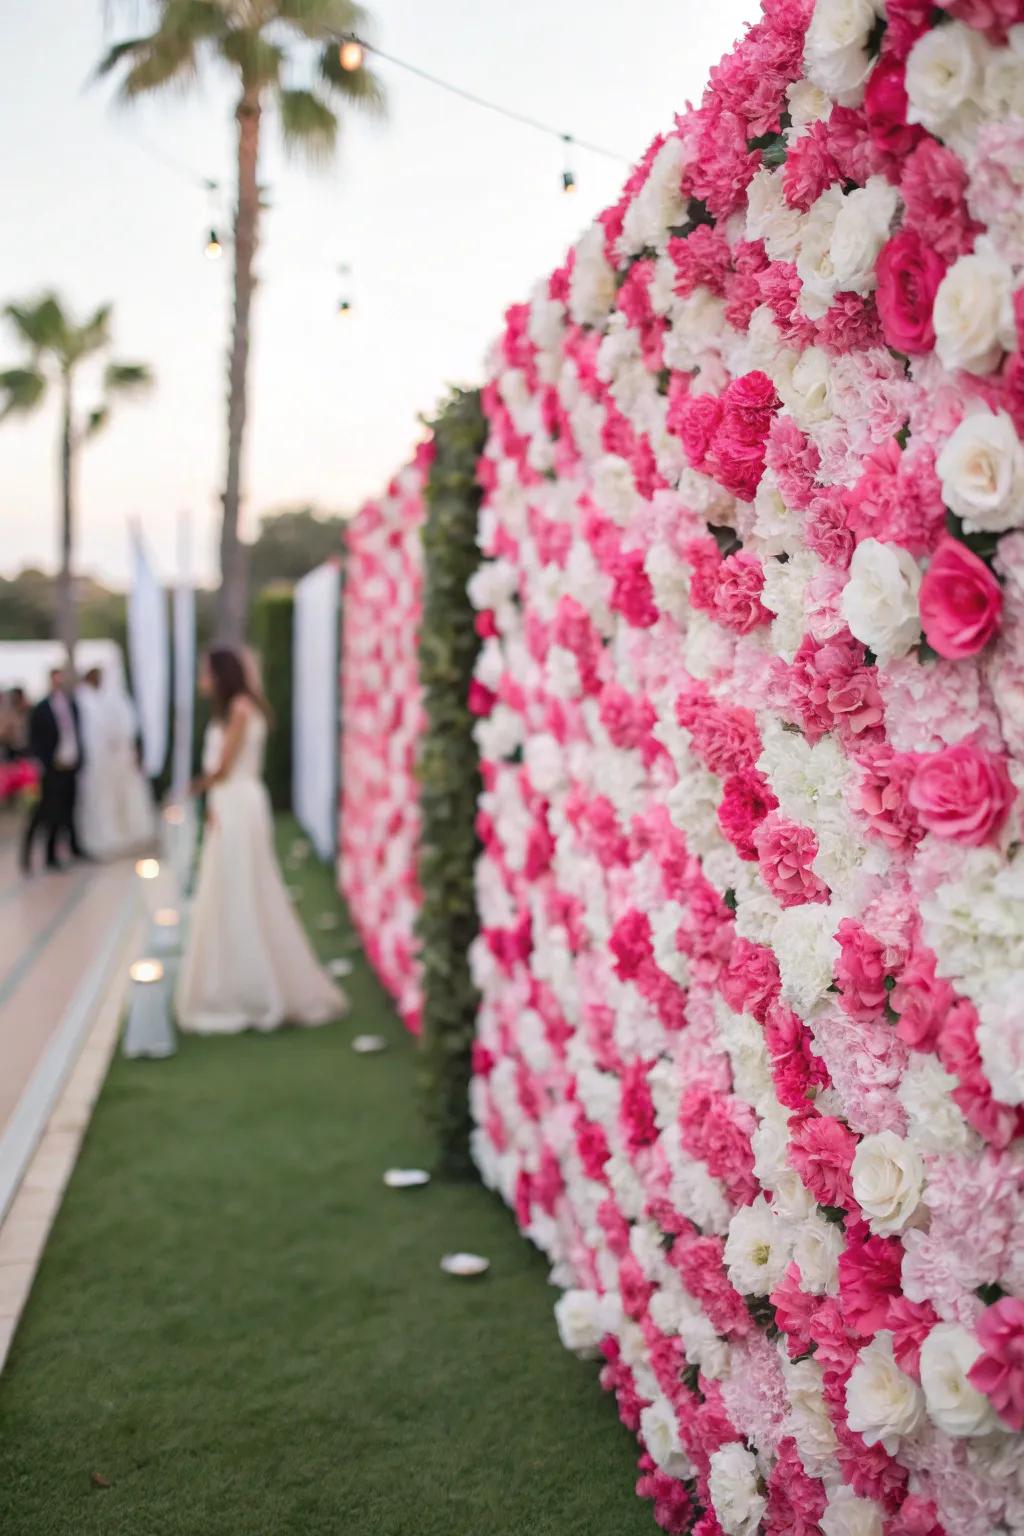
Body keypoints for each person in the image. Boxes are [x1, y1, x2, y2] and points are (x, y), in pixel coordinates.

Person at [176, 646, 345, 1033]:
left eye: (206, 673)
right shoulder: (240, 708)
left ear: (220, 675)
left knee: (242, 888)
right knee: (234, 885)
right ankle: (240, 978)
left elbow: (224, 767)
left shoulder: (238, 710)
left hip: (238, 802)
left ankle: (252, 984)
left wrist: (197, 787)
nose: (202, 679)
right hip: (234, 802)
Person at [75, 667, 155, 859]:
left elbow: (127, 726)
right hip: (98, 761)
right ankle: (104, 837)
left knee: (126, 796)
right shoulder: (84, 700)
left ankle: (128, 833)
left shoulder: (114, 697)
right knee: (102, 800)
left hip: (119, 758)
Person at [21, 667, 85, 873]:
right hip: (50, 771)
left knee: (67, 811)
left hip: (69, 767)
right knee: (45, 814)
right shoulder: (41, 708)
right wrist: (42, 765)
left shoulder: (72, 705)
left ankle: (61, 853)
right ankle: (34, 856)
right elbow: (35, 740)